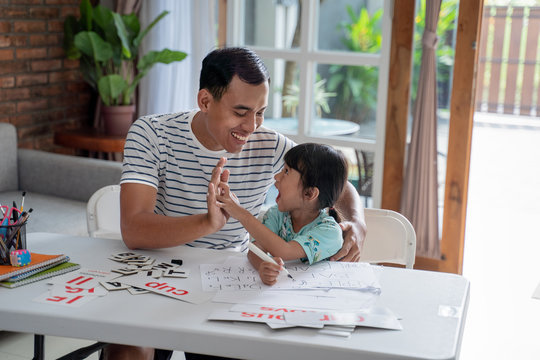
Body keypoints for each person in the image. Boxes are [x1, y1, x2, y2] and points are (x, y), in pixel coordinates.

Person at [104, 47, 366, 360]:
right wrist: (207, 223)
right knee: (128, 351)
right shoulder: (151, 134)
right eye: (241, 112)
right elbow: (134, 229)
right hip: (157, 272)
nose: (252, 126)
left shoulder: (269, 145)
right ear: (205, 101)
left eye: (260, 112)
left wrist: (357, 223)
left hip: (229, 280)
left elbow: (339, 186)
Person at [215, 143, 348, 285]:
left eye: (286, 172)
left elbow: (285, 251)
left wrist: (241, 214)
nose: (277, 177)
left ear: (309, 193)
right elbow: (255, 249)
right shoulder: (277, 214)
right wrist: (263, 265)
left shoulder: (330, 232)